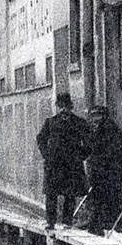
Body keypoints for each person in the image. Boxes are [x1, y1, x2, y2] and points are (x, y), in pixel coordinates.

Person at [36, 92, 90, 231]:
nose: (64, 109)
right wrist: (46, 155)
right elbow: (41, 139)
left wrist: (81, 156)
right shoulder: (51, 122)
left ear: (70, 107)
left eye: (66, 106)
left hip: (71, 165)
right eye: (61, 106)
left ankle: (67, 222)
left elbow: (89, 143)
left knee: (70, 194)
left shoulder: (80, 123)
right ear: (58, 107)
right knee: (51, 194)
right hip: (53, 164)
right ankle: (50, 222)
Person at [86, 104, 122, 236]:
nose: (95, 119)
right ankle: (99, 226)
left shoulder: (110, 130)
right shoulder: (96, 130)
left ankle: (106, 226)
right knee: (99, 198)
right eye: (93, 116)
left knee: (107, 198)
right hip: (99, 172)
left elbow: (113, 152)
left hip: (108, 172)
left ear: (104, 116)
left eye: (98, 115)